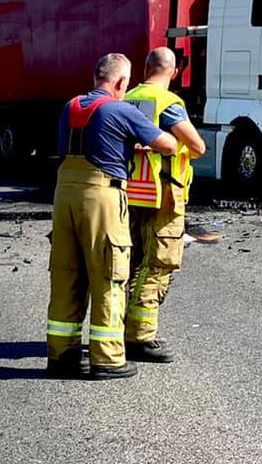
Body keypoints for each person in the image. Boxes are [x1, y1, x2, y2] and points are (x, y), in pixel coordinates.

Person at [46, 53, 177, 380]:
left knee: (67, 273)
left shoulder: (71, 106)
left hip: (64, 195)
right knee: (109, 272)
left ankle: (62, 355)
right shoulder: (120, 109)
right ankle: (107, 358)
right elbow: (168, 145)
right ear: (120, 83)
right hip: (101, 195)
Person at [123, 47, 206, 363]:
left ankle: (117, 330)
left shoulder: (127, 97)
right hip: (164, 197)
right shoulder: (168, 103)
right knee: (159, 264)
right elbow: (196, 146)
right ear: (174, 72)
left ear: (145, 68)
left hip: (130, 194)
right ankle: (141, 337)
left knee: (129, 263)